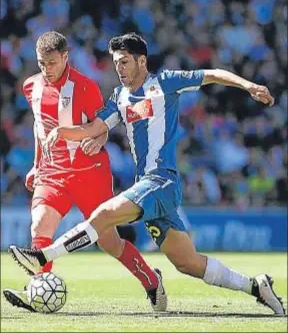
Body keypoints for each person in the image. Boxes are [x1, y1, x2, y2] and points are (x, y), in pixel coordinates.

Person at [9, 33, 285, 316]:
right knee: (187, 263)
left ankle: (42, 256)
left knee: (103, 215)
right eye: (116, 63)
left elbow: (212, 74)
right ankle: (256, 286)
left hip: (162, 180)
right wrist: (61, 132)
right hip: (147, 186)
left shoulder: (165, 83)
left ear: (142, 61)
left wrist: (248, 85)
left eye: (125, 62)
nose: (120, 68)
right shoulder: (119, 98)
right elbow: (93, 129)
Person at [3, 31, 167, 313]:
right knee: (39, 226)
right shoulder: (31, 87)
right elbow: (39, 127)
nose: (47, 69)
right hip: (52, 173)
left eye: (52, 62)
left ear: (65, 57)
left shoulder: (86, 87)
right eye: (42, 63)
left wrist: (97, 141)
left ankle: (151, 280)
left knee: (109, 243)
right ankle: (38, 290)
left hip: (89, 173)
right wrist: (36, 162)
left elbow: (101, 126)